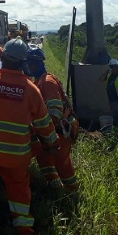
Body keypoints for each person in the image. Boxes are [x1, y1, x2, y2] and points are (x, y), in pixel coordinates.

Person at [0, 38, 60, 235]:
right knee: (18, 185)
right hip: (16, 155)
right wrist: (52, 143)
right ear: (23, 62)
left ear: (3, 57)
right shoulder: (32, 90)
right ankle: (23, 225)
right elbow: (43, 123)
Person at [23, 47, 79, 191]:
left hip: (59, 131)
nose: (27, 67)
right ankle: (56, 188)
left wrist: (38, 126)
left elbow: (54, 113)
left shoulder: (46, 82)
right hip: (52, 132)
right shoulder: (40, 81)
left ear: (34, 64)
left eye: (29, 64)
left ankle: (71, 191)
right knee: (45, 160)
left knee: (62, 163)